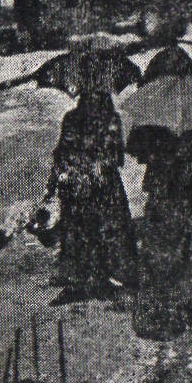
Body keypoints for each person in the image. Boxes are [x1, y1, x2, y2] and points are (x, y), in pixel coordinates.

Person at [46, 68, 137, 298]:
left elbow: (61, 154)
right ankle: (104, 278)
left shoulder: (73, 118)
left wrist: (57, 179)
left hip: (79, 186)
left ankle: (85, 278)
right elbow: (116, 156)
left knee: (83, 231)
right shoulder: (109, 118)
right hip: (100, 185)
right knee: (105, 229)